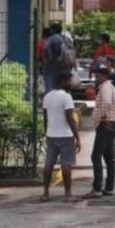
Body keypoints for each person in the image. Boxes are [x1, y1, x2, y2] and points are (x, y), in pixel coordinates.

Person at [40, 72, 81, 203]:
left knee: (48, 164)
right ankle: (68, 194)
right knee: (66, 165)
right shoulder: (66, 97)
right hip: (65, 135)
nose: (71, 83)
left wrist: (47, 132)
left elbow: (45, 118)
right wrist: (77, 137)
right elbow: (70, 119)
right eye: (69, 81)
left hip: (51, 135)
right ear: (63, 82)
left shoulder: (47, 96)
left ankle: (45, 193)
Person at [83, 65, 115, 199]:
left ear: (105, 76)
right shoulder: (110, 87)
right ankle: (109, 188)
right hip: (111, 124)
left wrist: (104, 118)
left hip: (105, 125)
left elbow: (106, 103)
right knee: (109, 158)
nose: (96, 79)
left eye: (98, 76)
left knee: (96, 156)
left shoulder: (105, 88)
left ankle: (97, 188)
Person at [43, 24, 66, 95]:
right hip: (64, 64)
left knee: (50, 82)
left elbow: (46, 48)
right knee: (61, 83)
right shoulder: (65, 38)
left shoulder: (52, 38)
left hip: (53, 64)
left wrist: (49, 58)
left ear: (53, 30)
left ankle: (50, 97)